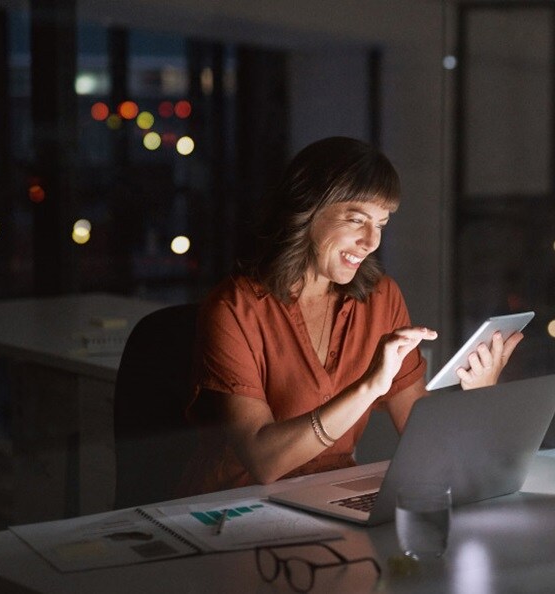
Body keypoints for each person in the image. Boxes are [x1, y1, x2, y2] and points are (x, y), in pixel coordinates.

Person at [178, 137, 522, 495]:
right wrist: (370, 386)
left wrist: (479, 395)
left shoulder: (381, 296)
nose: (371, 241)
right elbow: (264, 461)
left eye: (381, 224)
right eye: (357, 219)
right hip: (235, 510)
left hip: (332, 495)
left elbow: (424, 438)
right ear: (308, 209)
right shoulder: (233, 308)